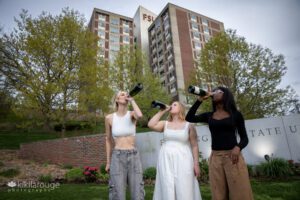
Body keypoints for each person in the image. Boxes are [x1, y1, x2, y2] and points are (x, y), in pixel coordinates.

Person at [185, 86, 253, 200]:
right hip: (216, 158)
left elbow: (245, 138)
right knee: (219, 194)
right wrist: (199, 100)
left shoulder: (236, 115)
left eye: (218, 91)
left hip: (233, 158)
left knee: (240, 193)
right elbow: (189, 117)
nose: (214, 93)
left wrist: (238, 147)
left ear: (226, 95)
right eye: (214, 91)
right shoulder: (209, 116)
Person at [148, 101, 202, 200]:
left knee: (184, 186)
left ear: (181, 108)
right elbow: (151, 124)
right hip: (166, 159)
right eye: (171, 105)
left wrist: (196, 164)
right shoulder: (165, 124)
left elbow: (194, 145)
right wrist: (162, 111)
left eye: (175, 104)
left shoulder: (189, 125)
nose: (171, 106)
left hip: (183, 158)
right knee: (167, 184)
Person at [105, 91, 144, 200]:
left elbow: (140, 115)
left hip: (133, 156)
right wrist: (108, 162)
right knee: (118, 194)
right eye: (122, 94)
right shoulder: (109, 118)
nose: (125, 95)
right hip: (117, 157)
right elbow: (108, 140)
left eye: (126, 94)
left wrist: (132, 100)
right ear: (117, 100)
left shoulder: (132, 114)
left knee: (137, 192)